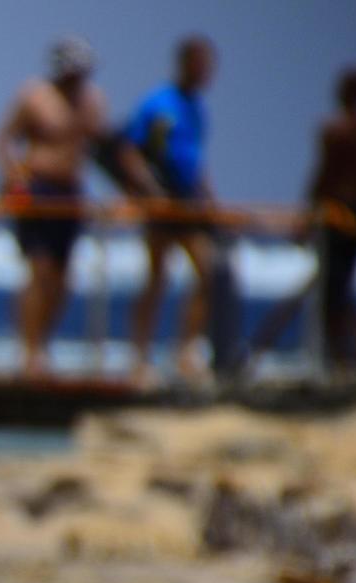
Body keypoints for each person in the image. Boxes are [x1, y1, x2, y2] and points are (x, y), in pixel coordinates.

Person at [0, 36, 108, 377]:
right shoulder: (35, 96)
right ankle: (28, 353)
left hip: (72, 191)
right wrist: (15, 179)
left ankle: (43, 345)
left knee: (62, 277)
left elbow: (105, 148)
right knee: (38, 270)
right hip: (39, 189)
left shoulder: (92, 101)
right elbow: (3, 141)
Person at [119, 35, 219, 386]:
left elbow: (195, 160)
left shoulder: (196, 107)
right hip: (164, 202)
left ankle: (187, 353)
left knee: (206, 272)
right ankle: (140, 356)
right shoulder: (160, 104)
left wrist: (209, 199)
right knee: (157, 277)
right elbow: (131, 151)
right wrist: (151, 191)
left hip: (189, 202)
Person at [304, 66, 356, 373]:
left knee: (334, 292)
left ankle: (347, 356)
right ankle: (354, 352)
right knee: (343, 288)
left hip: (337, 216)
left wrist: (308, 215)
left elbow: (322, 178)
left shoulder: (335, 129)